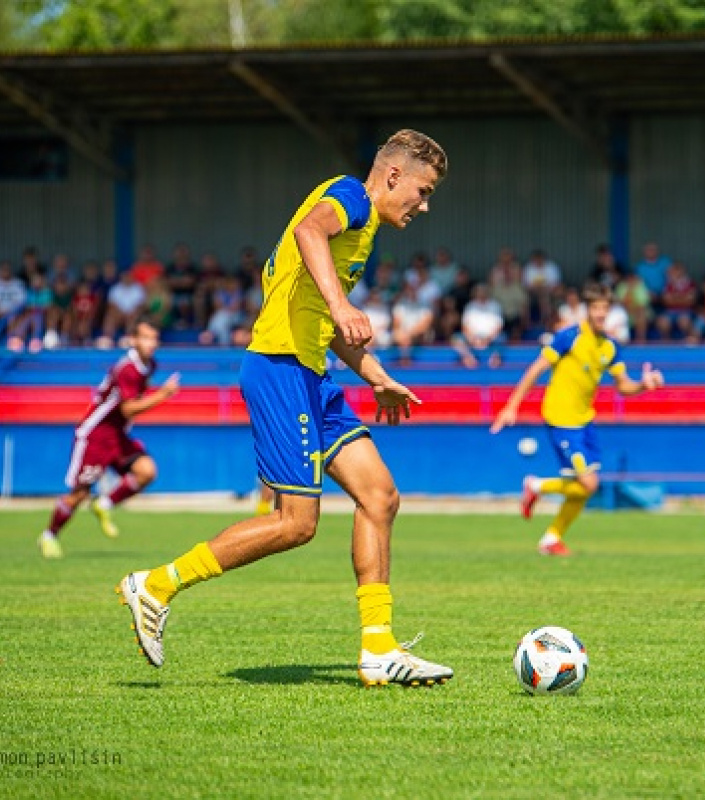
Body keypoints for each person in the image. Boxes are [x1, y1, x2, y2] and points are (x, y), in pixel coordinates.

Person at [116, 128, 454, 688]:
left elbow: (327, 319)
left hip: (310, 372)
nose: (424, 204)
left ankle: (378, 649)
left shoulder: (361, 227)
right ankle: (154, 585)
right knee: (296, 524)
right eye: (421, 190)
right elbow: (307, 231)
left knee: (379, 495)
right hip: (279, 368)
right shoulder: (348, 196)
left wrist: (376, 375)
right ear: (393, 176)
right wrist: (342, 301)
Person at [491, 284, 664, 556]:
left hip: (585, 421)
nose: (599, 314)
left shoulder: (609, 347)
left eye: (604, 309)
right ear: (587, 310)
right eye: (595, 308)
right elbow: (536, 369)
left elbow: (623, 386)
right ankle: (535, 486)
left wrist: (644, 384)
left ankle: (551, 538)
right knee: (589, 484)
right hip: (560, 418)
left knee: (585, 488)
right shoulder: (569, 337)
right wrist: (511, 405)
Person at [38, 317, 180, 559]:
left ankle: (103, 504)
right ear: (133, 340)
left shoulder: (149, 366)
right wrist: (163, 395)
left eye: (154, 338)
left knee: (146, 471)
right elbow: (128, 409)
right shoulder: (128, 369)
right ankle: (49, 536)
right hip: (96, 435)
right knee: (79, 493)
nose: (150, 343)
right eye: (144, 337)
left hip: (118, 435)